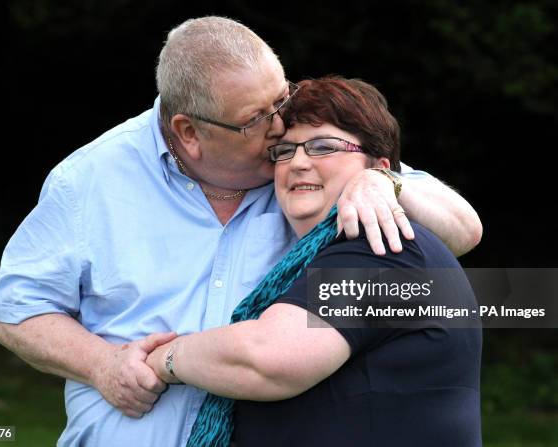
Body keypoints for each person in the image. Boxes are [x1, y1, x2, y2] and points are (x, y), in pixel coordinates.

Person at [0, 17, 482, 447]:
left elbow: (462, 233)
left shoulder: (307, 161)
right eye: (255, 119)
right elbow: (17, 311)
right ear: (189, 132)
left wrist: (386, 183)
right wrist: (103, 364)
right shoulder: (89, 180)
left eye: (280, 98)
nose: (277, 127)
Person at [145, 76, 482, 447]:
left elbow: (268, 360)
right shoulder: (323, 252)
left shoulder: (380, 248)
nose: (299, 163)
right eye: (285, 151)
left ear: (379, 166)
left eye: (323, 147)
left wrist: (165, 359)